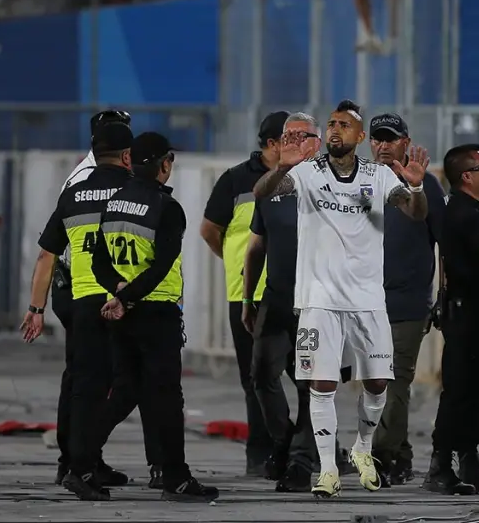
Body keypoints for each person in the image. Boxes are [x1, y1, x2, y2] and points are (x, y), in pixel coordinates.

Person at [252, 99, 430, 498]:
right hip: (319, 299)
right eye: (331, 124)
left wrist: (416, 185)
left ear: (359, 137)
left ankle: (362, 449)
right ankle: (328, 469)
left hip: (368, 299)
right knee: (322, 383)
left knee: (379, 382)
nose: (335, 130)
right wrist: (281, 166)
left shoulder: (378, 175)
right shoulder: (307, 173)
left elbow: (416, 212)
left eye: (344, 125)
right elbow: (263, 193)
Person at [27, 110, 160, 490]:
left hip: (78, 296)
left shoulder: (74, 187)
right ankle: (82, 460)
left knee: (83, 381)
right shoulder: (133, 190)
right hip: (121, 299)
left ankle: (80, 461)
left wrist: (35, 309)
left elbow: (46, 254)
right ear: (127, 153)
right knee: (126, 381)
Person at [90, 131, 218, 502]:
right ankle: (175, 477)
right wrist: (128, 296)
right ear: (164, 164)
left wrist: (118, 294)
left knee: (125, 390)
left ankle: (79, 460)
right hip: (155, 312)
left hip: (122, 313)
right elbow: (161, 266)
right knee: (165, 398)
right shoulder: (167, 208)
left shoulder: (115, 203)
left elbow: (98, 261)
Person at [242, 111, 354, 492]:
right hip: (276, 299)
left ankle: (300, 462)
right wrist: (247, 297)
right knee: (261, 376)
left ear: (316, 142)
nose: (290, 139)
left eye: (299, 134)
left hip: (320, 303)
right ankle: (286, 442)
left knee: (313, 387)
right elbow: (256, 246)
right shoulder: (273, 186)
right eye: (286, 134)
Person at [200, 113, 286, 476]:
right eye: (290, 138)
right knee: (255, 378)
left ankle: (297, 448)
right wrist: (239, 264)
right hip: (248, 294)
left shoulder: (305, 177)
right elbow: (209, 231)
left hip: (292, 290)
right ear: (270, 145)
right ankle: (261, 453)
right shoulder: (235, 180)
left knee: (305, 376)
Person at [422, 143, 479, 496]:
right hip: (467, 316)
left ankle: (468, 461)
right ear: (466, 176)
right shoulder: (465, 212)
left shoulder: (468, 209)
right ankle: (441, 467)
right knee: (462, 391)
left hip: (477, 315)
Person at [367, 113, 446, 486]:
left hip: (406, 304)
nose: (383, 145)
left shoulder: (424, 185)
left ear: (405, 142)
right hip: (364, 302)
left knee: (393, 381)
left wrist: (444, 294)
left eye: (390, 139)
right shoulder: (362, 182)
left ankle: (378, 456)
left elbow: (444, 244)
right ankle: (400, 455)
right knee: (373, 382)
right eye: (377, 138)